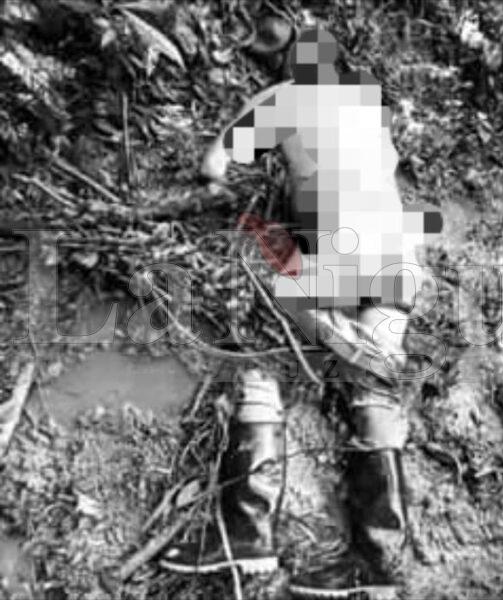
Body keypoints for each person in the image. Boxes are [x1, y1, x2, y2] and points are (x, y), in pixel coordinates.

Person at [160, 22, 442, 599]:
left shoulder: (284, 98)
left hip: (339, 254)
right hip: (401, 257)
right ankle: (380, 561)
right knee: (371, 389)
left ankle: (246, 532)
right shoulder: (370, 105)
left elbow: (213, 166)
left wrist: (230, 193)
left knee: (259, 355)